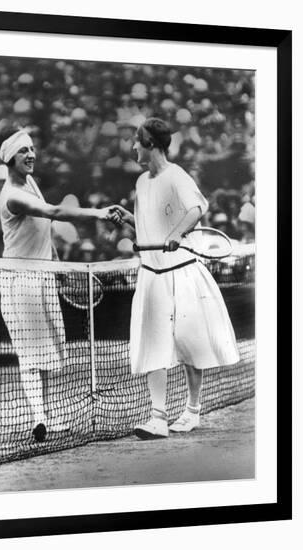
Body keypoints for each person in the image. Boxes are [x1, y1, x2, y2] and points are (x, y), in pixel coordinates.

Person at [0, 124, 121, 442]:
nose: (32, 154)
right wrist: (100, 213)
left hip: (43, 276)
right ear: (9, 157)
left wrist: (56, 263)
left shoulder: (31, 181)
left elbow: (43, 226)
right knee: (30, 354)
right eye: (24, 150)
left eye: (32, 148)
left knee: (49, 353)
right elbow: (52, 211)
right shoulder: (12, 195)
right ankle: (39, 418)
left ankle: (47, 417)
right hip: (19, 282)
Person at [116, 118, 239, 438]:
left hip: (182, 273)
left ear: (152, 146)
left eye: (137, 142)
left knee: (189, 344)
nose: (133, 148)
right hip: (152, 276)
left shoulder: (177, 175)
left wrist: (176, 233)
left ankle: (192, 410)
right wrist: (128, 219)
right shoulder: (142, 182)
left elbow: (198, 207)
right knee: (153, 345)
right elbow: (148, 226)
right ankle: (158, 417)